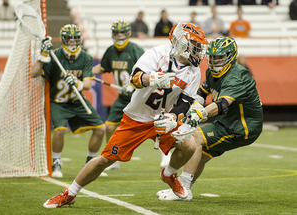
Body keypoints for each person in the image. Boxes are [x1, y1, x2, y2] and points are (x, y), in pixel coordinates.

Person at [42, 22, 210, 208]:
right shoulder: (158, 54)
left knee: (189, 144)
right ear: (181, 43)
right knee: (105, 159)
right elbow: (135, 78)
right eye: (195, 46)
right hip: (137, 117)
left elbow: (184, 102)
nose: (199, 51)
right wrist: (153, 79)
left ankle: (169, 174)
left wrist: (172, 119)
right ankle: (70, 193)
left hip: (162, 118)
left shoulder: (194, 72)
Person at [156, 36, 263, 201]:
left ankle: (181, 187)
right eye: (212, 57)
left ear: (230, 56)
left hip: (243, 126)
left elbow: (222, 104)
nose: (215, 61)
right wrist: (193, 106)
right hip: (227, 122)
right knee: (201, 152)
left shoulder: (237, 75)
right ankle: (184, 190)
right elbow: (202, 93)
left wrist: (199, 114)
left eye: (220, 57)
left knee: (195, 138)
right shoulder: (212, 72)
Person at [30, 24, 106, 178]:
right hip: (58, 102)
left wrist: (76, 83)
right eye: (69, 38)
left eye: (75, 38)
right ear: (63, 39)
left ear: (80, 40)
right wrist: (42, 54)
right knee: (60, 130)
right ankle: (56, 162)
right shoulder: (54, 55)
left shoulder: (85, 57)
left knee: (101, 129)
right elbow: (34, 73)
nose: (72, 41)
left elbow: (87, 84)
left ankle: (90, 162)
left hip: (77, 101)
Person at [92, 19, 146, 170]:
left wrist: (132, 84)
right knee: (109, 126)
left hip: (140, 97)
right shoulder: (110, 51)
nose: (120, 35)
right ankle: (113, 159)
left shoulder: (135, 49)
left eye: (122, 32)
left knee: (153, 127)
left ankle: (165, 157)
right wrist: (85, 73)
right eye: (117, 32)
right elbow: (103, 68)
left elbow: (147, 70)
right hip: (122, 98)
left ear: (128, 33)